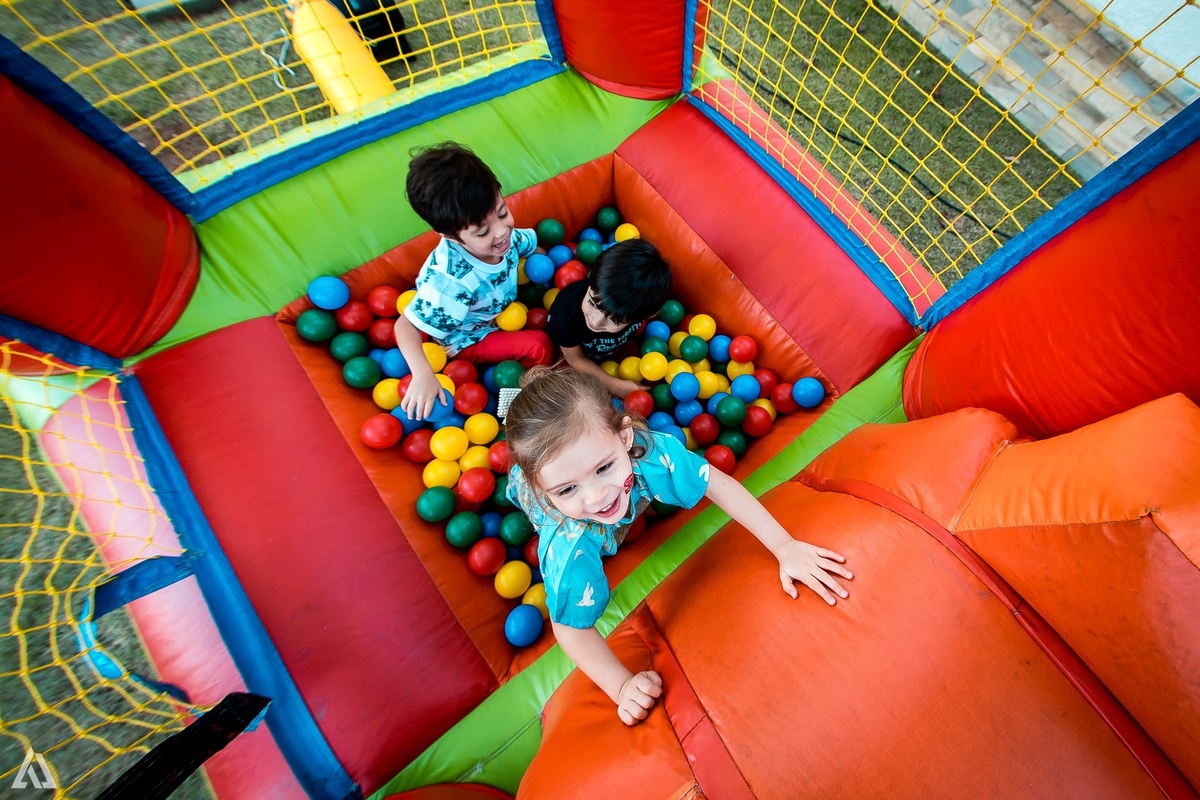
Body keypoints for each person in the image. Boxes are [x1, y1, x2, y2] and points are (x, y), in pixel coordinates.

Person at [504, 368, 852, 726]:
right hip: (567, 518)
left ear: (625, 437)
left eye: (604, 467)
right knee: (556, 499)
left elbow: (715, 483)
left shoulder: (648, 453)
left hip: (626, 479)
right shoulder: (567, 542)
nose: (596, 495)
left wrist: (785, 546)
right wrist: (621, 685)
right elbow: (570, 627)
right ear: (545, 492)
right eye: (566, 489)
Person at [394, 142, 552, 419]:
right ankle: (531, 410)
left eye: (502, 211)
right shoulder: (451, 281)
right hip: (467, 337)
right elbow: (405, 325)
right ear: (451, 236)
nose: (502, 231)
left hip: (502, 311)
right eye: (482, 232)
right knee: (538, 345)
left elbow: (531, 247)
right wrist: (422, 374)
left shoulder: (503, 236)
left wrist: (550, 266)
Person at [546, 239, 672, 397]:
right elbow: (576, 359)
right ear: (592, 283)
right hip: (576, 356)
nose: (596, 321)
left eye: (615, 320)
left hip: (618, 357)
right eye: (592, 303)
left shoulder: (637, 307)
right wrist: (615, 386)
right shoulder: (564, 314)